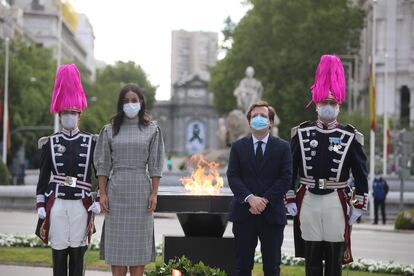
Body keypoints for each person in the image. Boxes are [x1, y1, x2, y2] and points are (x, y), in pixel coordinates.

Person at [285, 55, 368, 276]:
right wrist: (289, 196)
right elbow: (290, 170)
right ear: (316, 104)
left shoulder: (350, 136)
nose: (328, 107)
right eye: (324, 103)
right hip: (308, 198)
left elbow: (361, 173)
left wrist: (359, 203)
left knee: (334, 255)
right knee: (311, 254)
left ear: (339, 105)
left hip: (335, 198)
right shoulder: (301, 133)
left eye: (332, 103)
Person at [35, 64, 101, 276]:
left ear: (79, 114)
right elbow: (43, 176)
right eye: (65, 113)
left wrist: (98, 199)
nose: (69, 116)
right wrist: (40, 203)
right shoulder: (49, 143)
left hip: (81, 203)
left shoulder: (92, 142)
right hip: (58, 201)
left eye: (73, 113)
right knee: (59, 250)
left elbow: (99, 174)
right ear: (59, 114)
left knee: (78, 252)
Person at [94, 83, 165, 276]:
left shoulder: (152, 130)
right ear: (120, 104)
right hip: (116, 193)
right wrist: (102, 194)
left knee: (137, 257)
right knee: (117, 257)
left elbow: (155, 164)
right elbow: (103, 165)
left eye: (134, 100)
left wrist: (154, 193)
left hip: (141, 194)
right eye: (126, 101)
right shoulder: (109, 130)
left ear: (141, 102)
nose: (130, 104)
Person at [227, 101, 292, 276]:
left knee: (272, 267)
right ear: (249, 122)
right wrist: (250, 198)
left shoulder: (283, 147)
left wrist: (265, 200)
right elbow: (233, 176)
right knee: (242, 267)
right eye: (254, 116)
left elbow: (286, 178)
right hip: (244, 213)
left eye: (263, 116)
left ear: (270, 122)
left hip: (272, 214)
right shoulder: (238, 147)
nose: (258, 119)